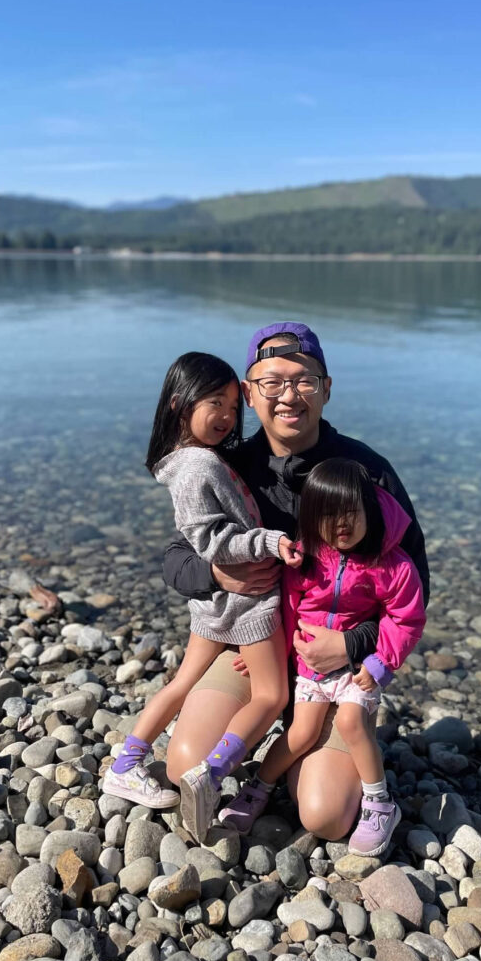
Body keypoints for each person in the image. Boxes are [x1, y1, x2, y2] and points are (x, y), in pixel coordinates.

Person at [162, 322, 429, 842]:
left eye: (304, 381)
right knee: (183, 765)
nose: (289, 395)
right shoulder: (226, 468)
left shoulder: (364, 473)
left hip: (334, 666)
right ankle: (272, 751)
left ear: (326, 389)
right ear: (249, 393)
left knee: (324, 817)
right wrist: (215, 572)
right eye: (272, 382)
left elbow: (414, 587)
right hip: (254, 651)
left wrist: (353, 644)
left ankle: (315, 753)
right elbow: (175, 560)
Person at [102, 352, 301, 842]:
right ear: (179, 403)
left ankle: (126, 762)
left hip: (213, 605)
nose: (227, 417)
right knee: (271, 695)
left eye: (234, 407)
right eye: (215, 402)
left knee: (184, 681)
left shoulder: (196, 460)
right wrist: (270, 542)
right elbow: (210, 541)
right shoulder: (197, 466)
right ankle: (211, 774)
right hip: (247, 606)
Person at [219, 458, 425, 856]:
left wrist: (380, 663)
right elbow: (287, 611)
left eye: (351, 512)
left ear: (370, 509)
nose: (341, 524)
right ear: (312, 517)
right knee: (301, 733)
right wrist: (271, 655)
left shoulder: (392, 564)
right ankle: (259, 787)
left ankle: (380, 803)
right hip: (310, 671)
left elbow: (406, 618)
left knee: (351, 721)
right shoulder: (306, 559)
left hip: (357, 669)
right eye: (328, 515)